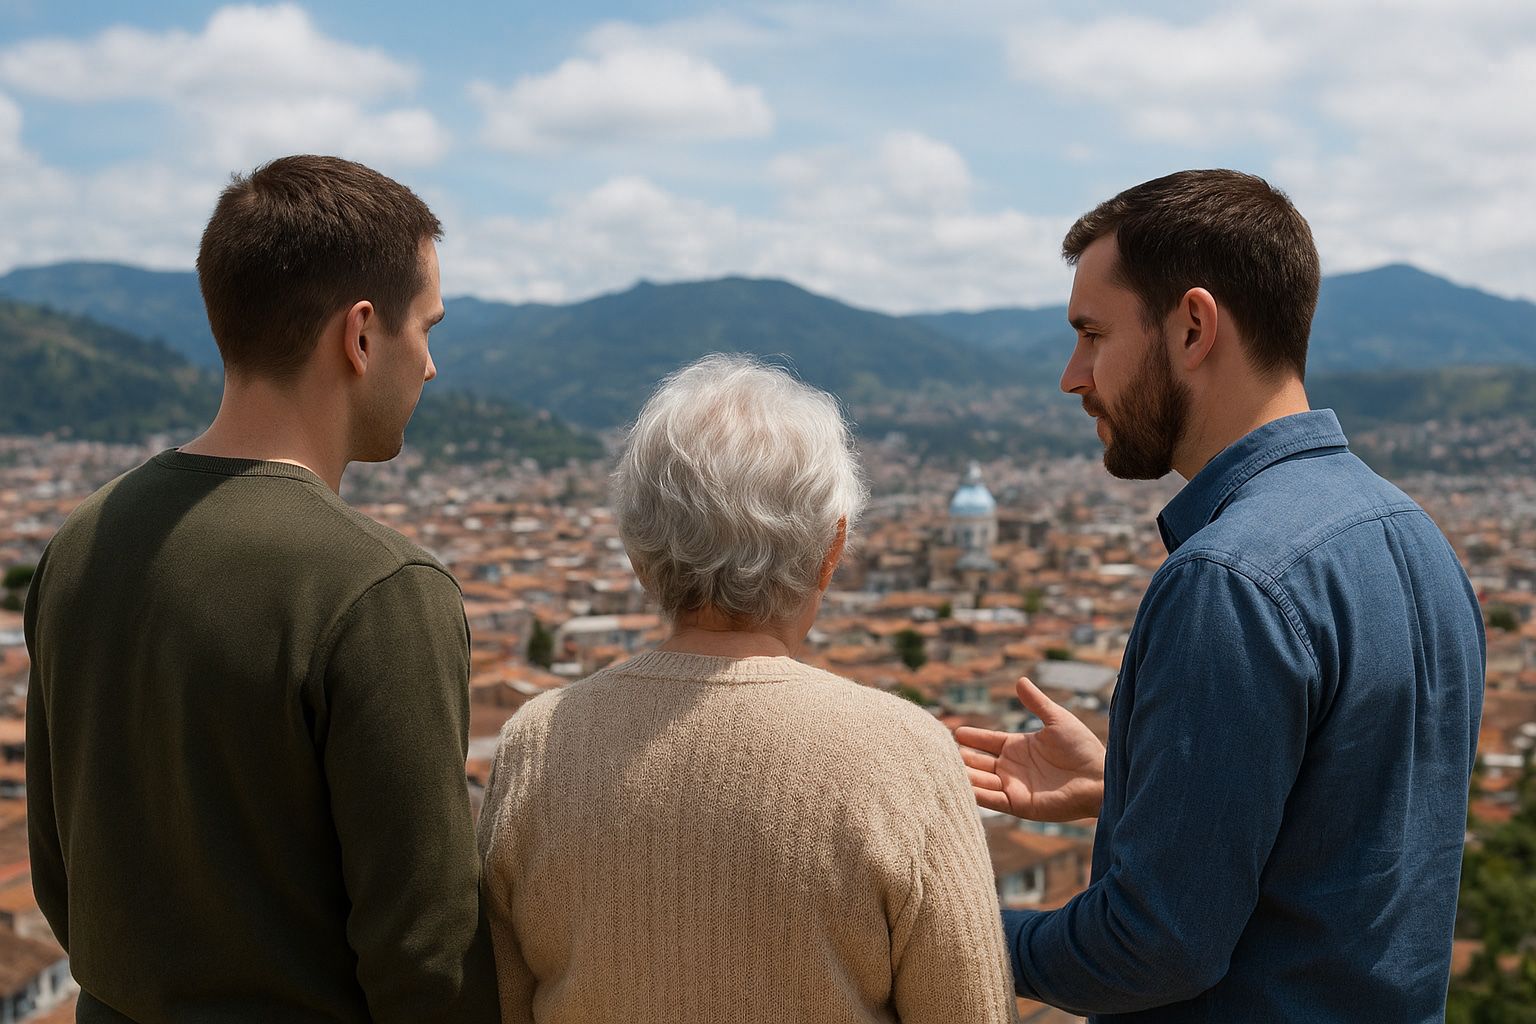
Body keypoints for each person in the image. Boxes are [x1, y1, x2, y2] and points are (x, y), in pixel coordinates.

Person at [956, 170, 1485, 1022]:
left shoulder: (1229, 580)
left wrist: (940, 930)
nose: (1071, 376)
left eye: (1092, 335)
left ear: (1194, 327)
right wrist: (1130, 786)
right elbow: (1348, 835)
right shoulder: (1416, 539)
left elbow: (1152, 945)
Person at [25, 155, 499, 1022]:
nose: (430, 366)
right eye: (427, 329)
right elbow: (428, 959)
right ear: (361, 336)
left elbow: (59, 872)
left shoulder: (82, 541)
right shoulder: (380, 591)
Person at [477, 354, 1015, 1024]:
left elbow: (500, 1002)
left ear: (638, 555)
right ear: (832, 550)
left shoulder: (535, 746)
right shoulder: (908, 757)